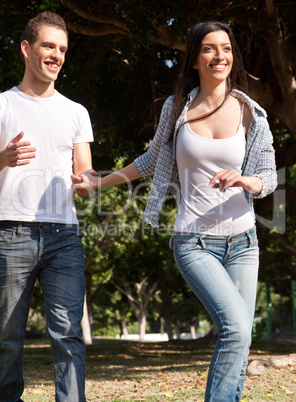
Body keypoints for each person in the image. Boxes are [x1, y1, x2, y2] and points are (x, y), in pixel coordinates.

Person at [72, 21, 277, 401]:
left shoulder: (252, 112)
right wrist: (98, 181)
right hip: (194, 242)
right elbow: (151, 160)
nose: (220, 56)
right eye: (209, 49)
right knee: (235, 328)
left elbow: (267, 175)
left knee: (240, 337)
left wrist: (247, 181)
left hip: (244, 241)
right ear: (195, 59)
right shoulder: (177, 108)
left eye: (227, 48)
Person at [0, 11, 93, 402]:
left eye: (63, 49)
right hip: (10, 232)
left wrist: (87, 183)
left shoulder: (76, 111)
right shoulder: (3, 105)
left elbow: (86, 175)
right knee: (6, 338)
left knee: (68, 333)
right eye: (48, 46)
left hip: (63, 236)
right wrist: (2, 158)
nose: (56, 55)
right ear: (26, 48)